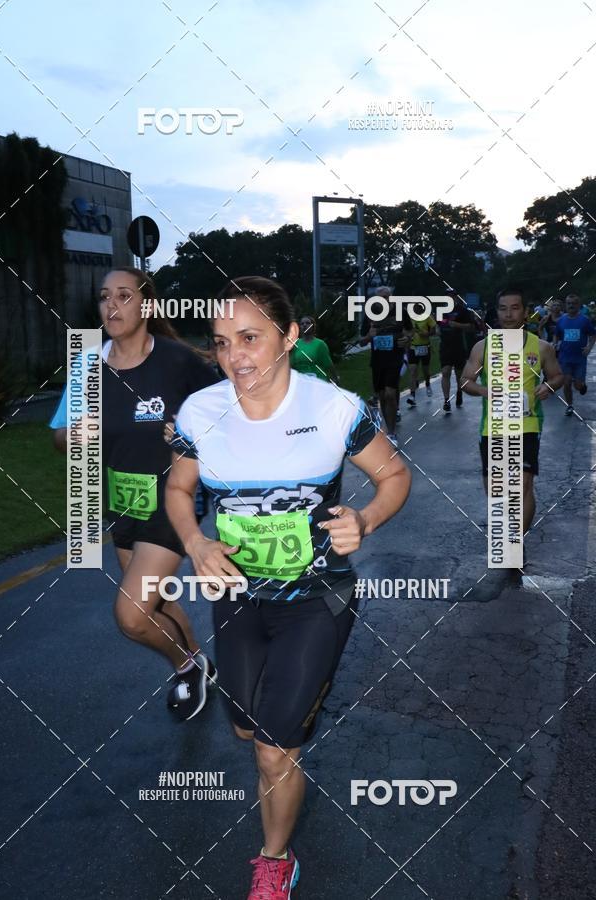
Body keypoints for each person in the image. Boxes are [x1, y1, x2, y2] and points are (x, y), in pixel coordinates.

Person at [165, 276, 411, 899]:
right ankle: (285, 734)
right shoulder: (201, 411)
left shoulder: (332, 408)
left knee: (275, 747)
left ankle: (275, 859)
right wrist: (194, 541)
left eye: (250, 338)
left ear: (289, 336)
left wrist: (366, 518)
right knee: (248, 731)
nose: (235, 357)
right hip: (237, 597)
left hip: (317, 599)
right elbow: (177, 489)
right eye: (221, 343)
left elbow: (394, 475)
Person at [50, 267, 219, 720]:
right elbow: (60, 436)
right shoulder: (88, 363)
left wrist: (188, 430)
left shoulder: (177, 360)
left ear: (147, 305)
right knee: (157, 601)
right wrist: (82, 431)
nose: (112, 305)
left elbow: (226, 413)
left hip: (174, 501)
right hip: (123, 501)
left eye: (125, 296)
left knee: (131, 614)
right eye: (105, 297)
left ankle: (187, 666)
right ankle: (199, 663)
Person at [462, 288, 563, 551]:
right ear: (497, 312)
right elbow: (465, 381)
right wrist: (486, 391)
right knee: (496, 491)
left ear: (525, 311)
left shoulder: (541, 347)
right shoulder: (483, 347)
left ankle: (514, 541)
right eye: (503, 308)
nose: (508, 314)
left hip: (527, 424)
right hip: (493, 427)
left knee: (523, 484)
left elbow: (557, 376)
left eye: (515, 307)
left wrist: (549, 387)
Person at [359, 286, 412, 443]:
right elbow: (361, 341)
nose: (384, 301)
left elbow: (410, 330)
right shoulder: (370, 314)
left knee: (389, 393)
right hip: (378, 360)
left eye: (386, 298)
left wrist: (407, 339)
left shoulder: (401, 311)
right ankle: (390, 421)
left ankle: (391, 432)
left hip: (395, 358)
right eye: (380, 298)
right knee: (382, 396)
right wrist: (369, 335)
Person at [554, 293, 596, 416]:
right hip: (565, 358)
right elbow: (557, 334)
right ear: (565, 305)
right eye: (569, 303)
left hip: (579, 359)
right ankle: (569, 405)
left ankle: (581, 386)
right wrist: (555, 343)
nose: (571, 306)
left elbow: (593, 335)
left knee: (578, 386)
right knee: (566, 383)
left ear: (578, 305)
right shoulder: (561, 320)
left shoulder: (584, 320)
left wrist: (589, 347)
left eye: (574, 303)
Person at [438, 290, 475, 412]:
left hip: (458, 345)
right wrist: (445, 324)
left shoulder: (462, 311)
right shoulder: (441, 310)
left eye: (452, 297)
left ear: (456, 298)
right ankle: (446, 400)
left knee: (459, 374)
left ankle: (459, 392)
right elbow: (439, 323)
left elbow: (471, 326)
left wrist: (456, 325)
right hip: (445, 345)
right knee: (445, 372)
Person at [290, 315, 337, 382]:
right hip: (301, 381)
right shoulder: (295, 344)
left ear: (313, 326)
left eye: (307, 323)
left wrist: (335, 378)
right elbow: (291, 364)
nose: (304, 325)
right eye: (302, 324)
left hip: (318, 381)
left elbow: (328, 364)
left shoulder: (320, 344)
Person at [406, 302, 436, 407]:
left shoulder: (427, 318)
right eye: (414, 308)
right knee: (413, 371)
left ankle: (427, 384)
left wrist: (426, 334)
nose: (416, 310)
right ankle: (412, 396)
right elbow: (406, 331)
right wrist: (409, 336)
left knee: (426, 371)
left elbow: (433, 331)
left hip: (425, 347)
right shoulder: (410, 319)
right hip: (413, 348)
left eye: (418, 308)